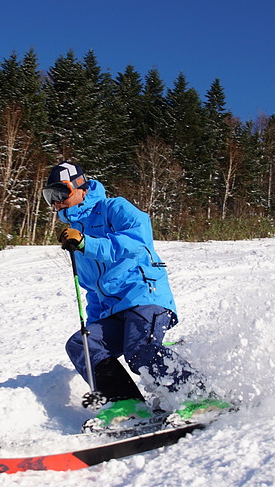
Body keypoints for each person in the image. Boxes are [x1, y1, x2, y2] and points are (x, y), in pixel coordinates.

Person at [42, 161, 228, 430]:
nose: (56, 202)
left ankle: (201, 399)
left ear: (81, 187)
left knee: (139, 348)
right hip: (113, 311)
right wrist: (96, 332)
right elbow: (94, 290)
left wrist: (87, 243)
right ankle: (126, 405)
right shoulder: (74, 236)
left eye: (61, 193)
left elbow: (138, 240)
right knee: (82, 344)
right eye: (50, 196)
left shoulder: (113, 208)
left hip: (145, 296)